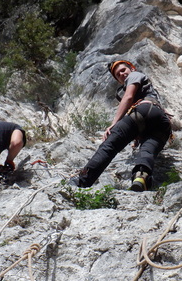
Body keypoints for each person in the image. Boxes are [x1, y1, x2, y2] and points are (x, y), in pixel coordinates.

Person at [70, 60, 172, 191]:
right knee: (147, 150)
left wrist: (114, 124)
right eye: (118, 75)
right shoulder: (149, 89)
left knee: (110, 145)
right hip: (162, 123)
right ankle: (141, 177)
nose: (122, 74)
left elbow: (128, 97)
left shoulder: (134, 75)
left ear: (132, 68)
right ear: (118, 81)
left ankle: (82, 181)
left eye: (123, 70)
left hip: (144, 110)